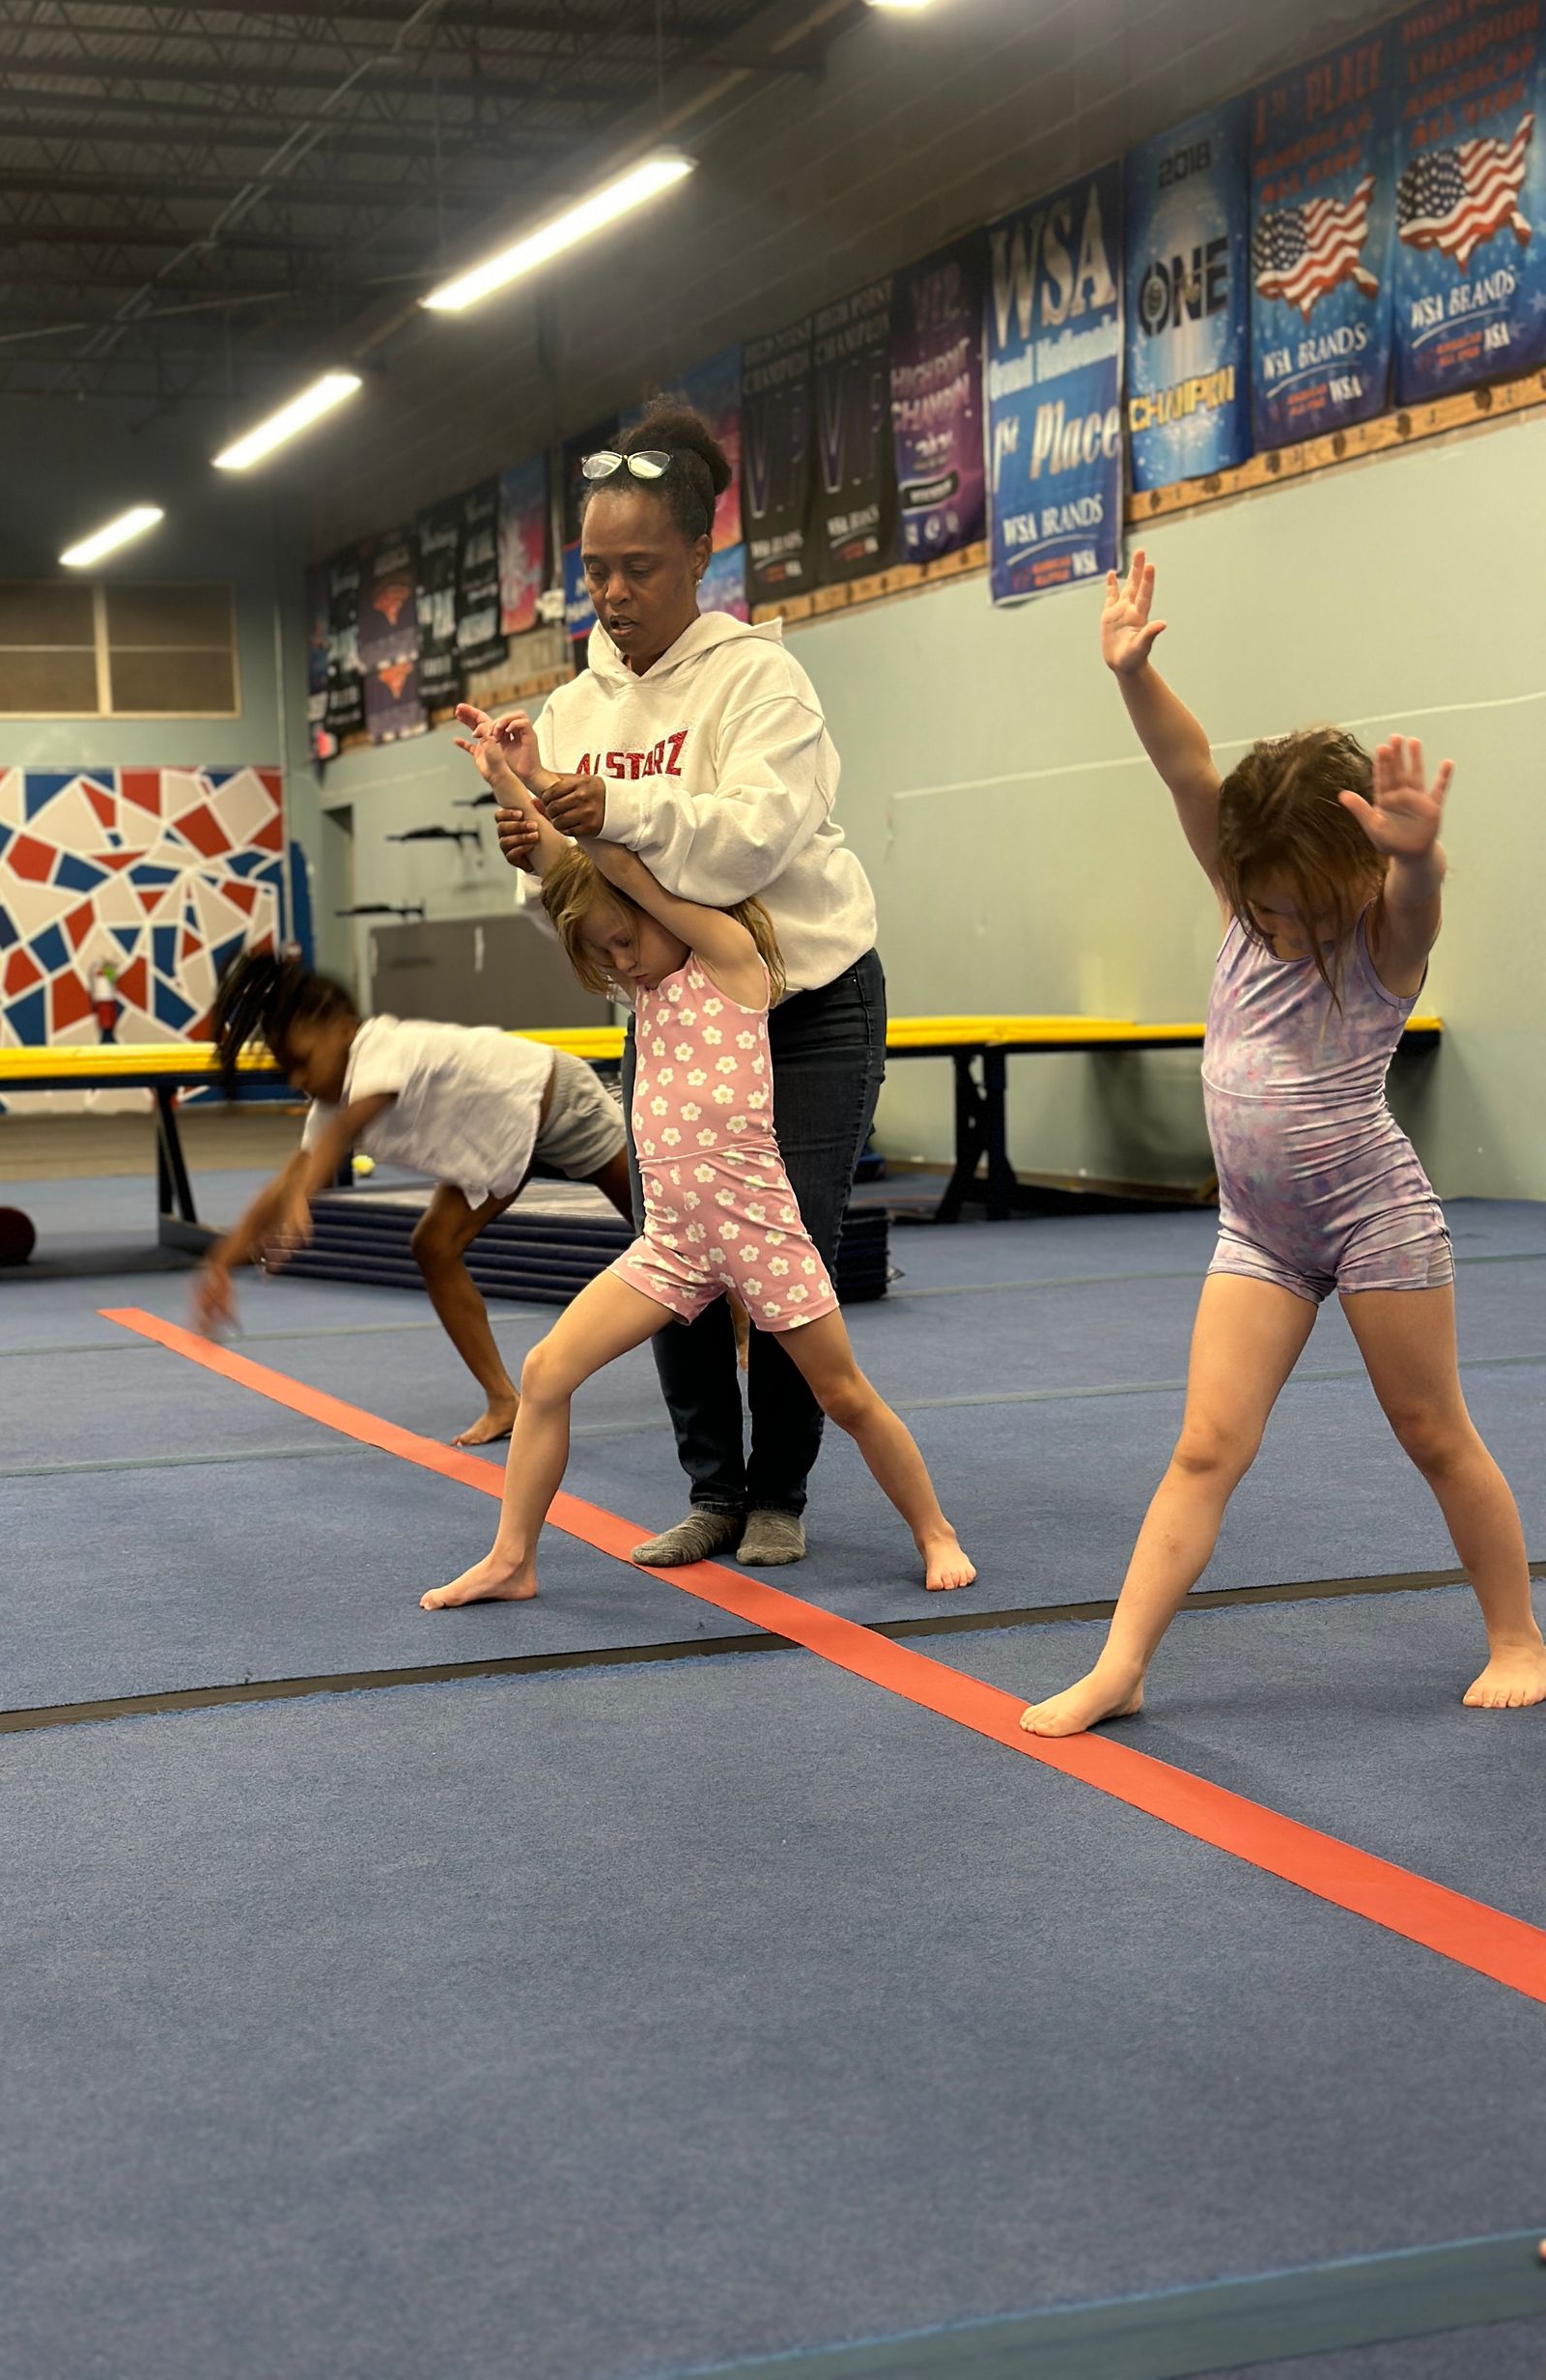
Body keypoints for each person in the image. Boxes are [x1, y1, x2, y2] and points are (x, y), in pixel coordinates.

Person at [1021, 552, 1545, 1736]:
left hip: (1372, 1216)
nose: (1284, 928)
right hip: (1258, 1228)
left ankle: (1517, 1631)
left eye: (1310, 907)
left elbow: (1416, 905)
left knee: (1432, 1431)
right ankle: (1123, 1661)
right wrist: (1131, 678)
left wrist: (1420, 857)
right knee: (1207, 1441)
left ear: (1358, 876)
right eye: (1267, 907)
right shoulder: (1246, 887)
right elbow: (1187, 766)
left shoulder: (1380, 943)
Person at [470, 398, 885, 1573]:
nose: (612, 594)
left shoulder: (764, 682)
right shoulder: (573, 706)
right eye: (595, 570)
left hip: (804, 1004)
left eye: (639, 567)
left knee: (785, 1246)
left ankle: (780, 1493)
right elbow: (567, 889)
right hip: (678, 1017)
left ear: (701, 556)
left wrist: (614, 813)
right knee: (674, 1246)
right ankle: (713, 1489)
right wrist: (538, 858)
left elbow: (747, 847)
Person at [420, 733, 972, 1610]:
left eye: (625, 944)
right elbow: (582, 878)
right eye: (604, 956)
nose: (622, 963)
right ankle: (513, 1558)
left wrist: (564, 798)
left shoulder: (732, 966)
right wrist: (504, 779)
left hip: (759, 1236)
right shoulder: (646, 987)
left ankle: (935, 1530)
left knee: (845, 1394)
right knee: (546, 1371)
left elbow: (632, 879)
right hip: (673, 1243)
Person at [195, 950, 632, 1447]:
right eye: (285, 1072)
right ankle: (503, 1399)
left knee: (656, 1229)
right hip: (497, 1146)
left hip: (553, 1101)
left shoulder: (381, 1047)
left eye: (300, 1063)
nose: (297, 1081)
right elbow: (286, 1179)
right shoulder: (332, 1101)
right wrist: (220, 1260)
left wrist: (302, 1193)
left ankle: (739, 1323)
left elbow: (346, 1130)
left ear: (341, 1029)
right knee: (433, 1247)